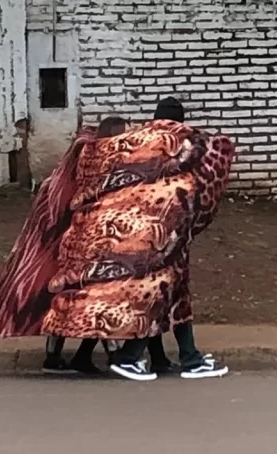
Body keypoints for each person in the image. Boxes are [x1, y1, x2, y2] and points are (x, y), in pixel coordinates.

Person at [108, 97, 230, 381]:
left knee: (171, 295)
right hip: (168, 232)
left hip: (137, 232)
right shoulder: (184, 142)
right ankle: (134, 357)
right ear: (180, 120)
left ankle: (181, 357)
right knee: (166, 295)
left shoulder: (136, 142)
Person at [41, 116, 129, 375]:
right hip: (93, 239)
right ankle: (113, 355)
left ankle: (60, 355)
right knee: (99, 295)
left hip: (73, 237)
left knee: (74, 297)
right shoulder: (106, 161)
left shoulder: (82, 154)